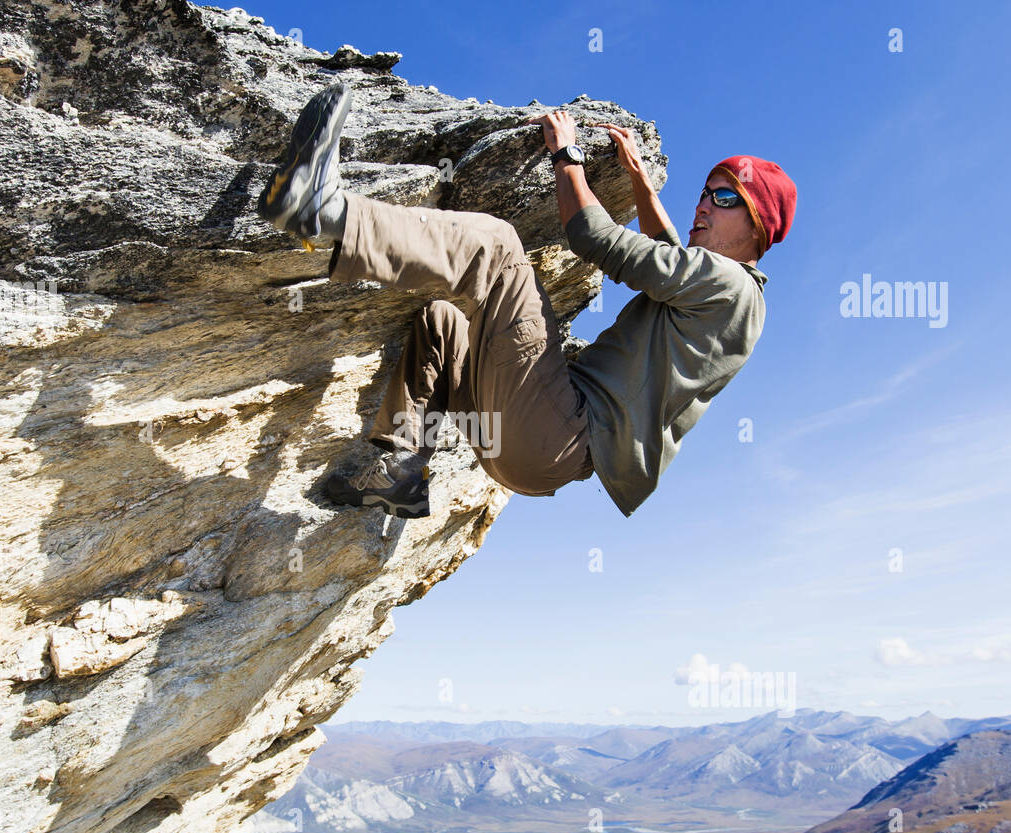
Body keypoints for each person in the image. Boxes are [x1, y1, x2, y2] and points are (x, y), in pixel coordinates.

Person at [257, 80, 796, 519]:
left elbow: (597, 240)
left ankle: (322, 214)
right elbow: (669, 249)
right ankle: (402, 473)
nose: (705, 203)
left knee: (496, 246)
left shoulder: (729, 284)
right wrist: (639, 181)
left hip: (558, 431)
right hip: (526, 448)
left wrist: (567, 155)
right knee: (443, 321)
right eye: (705, 191)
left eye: (725, 198)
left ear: (759, 226)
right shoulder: (730, 300)